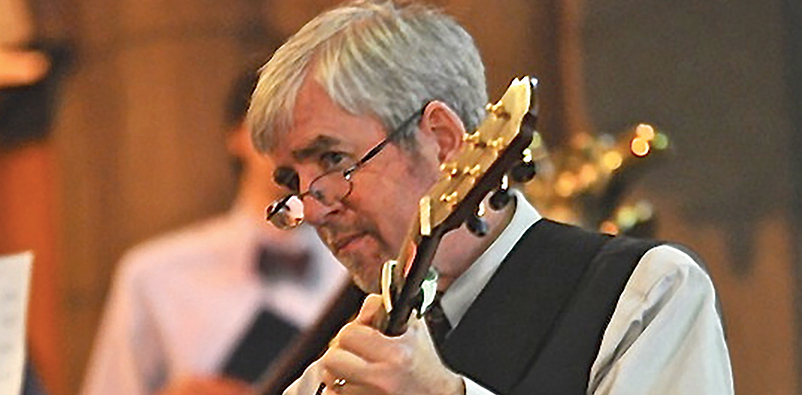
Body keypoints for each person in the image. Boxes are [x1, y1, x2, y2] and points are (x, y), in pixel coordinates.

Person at [248, 1, 734, 394]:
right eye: (293, 183)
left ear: (441, 139)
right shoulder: (338, 364)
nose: (313, 210)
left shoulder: (644, 292)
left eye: (334, 160)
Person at [80, 69, 347, 395]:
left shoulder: (357, 269)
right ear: (235, 135)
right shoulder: (154, 273)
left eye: (313, 132)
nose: (294, 145)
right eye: (274, 126)